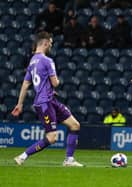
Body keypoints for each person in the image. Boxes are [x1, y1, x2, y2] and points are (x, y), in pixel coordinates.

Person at [12, 31, 83, 167]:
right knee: (52, 138)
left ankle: (69, 160)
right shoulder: (47, 61)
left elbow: (26, 84)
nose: (51, 45)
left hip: (50, 100)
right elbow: (55, 82)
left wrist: (19, 104)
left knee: (75, 125)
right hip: (45, 103)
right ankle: (23, 156)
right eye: (50, 43)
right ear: (45, 43)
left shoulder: (32, 62)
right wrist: (56, 82)